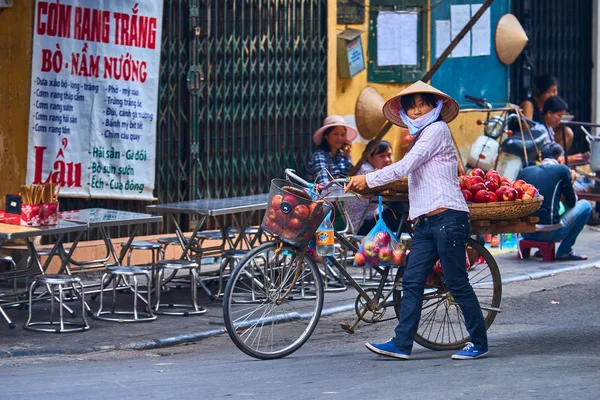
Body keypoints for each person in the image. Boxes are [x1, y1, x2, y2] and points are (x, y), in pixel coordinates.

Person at [345, 81, 488, 360]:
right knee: (411, 281)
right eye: (411, 106)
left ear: (434, 107)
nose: (416, 110)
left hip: (448, 218)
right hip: (425, 224)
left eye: (422, 104)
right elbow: (409, 172)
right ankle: (402, 343)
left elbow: (407, 166)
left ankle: (479, 342)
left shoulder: (436, 130)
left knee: (456, 283)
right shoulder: (421, 137)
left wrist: (368, 179)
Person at [519, 142, 592, 261]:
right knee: (586, 206)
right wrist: (571, 181)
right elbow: (571, 203)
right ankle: (565, 251)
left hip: (525, 232)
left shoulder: (526, 171)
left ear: (541, 158)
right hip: (550, 233)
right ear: (560, 159)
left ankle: (539, 249)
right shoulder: (562, 170)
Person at [343, 140, 399, 234]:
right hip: (361, 225)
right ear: (369, 157)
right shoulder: (367, 173)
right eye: (381, 156)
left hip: (369, 220)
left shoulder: (372, 170)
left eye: (389, 155)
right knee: (399, 212)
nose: (387, 160)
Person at [519, 75, 574, 153]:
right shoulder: (529, 104)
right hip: (533, 140)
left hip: (546, 136)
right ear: (539, 91)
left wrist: (559, 120)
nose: (552, 95)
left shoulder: (550, 105)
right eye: (548, 92)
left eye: (554, 91)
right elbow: (526, 129)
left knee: (567, 132)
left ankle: (558, 158)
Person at [306, 115, 358, 185]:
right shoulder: (319, 157)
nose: (340, 138)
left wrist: (347, 156)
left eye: (343, 134)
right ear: (326, 136)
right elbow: (324, 185)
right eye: (336, 134)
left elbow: (349, 177)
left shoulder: (342, 156)